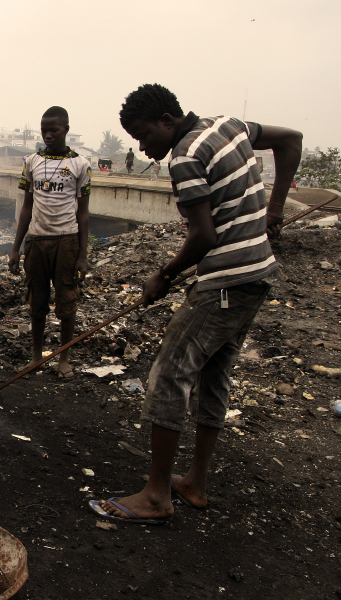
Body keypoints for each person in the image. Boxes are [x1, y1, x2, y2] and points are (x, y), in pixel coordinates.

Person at [90, 83, 302, 524]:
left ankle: (155, 496)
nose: (145, 149)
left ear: (167, 121)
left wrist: (163, 276)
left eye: (145, 136)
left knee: (169, 374)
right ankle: (195, 483)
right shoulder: (229, 124)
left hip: (225, 282)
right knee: (214, 374)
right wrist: (274, 207)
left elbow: (203, 237)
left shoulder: (185, 157)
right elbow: (291, 140)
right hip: (258, 274)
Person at [9, 106, 91, 380]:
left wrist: (82, 255)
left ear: (66, 129)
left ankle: (64, 358)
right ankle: (37, 356)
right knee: (37, 302)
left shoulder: (80, 164)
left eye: (53, 130)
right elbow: (26, 207)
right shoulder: (31, 162)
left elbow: (83, 212)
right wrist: (15, 248)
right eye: (44, 130)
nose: (47, 135)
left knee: (66, 302)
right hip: (36, 241)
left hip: (66, 241)